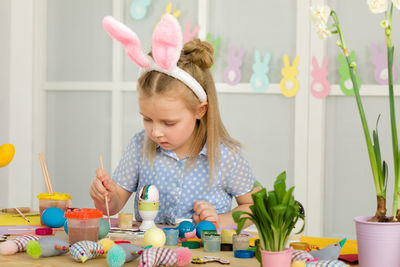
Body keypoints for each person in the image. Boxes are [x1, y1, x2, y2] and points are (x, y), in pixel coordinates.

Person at [90, 14, 258, 228]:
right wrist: (104, 195)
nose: (156, 132)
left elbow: (253, 208)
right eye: (147, 119)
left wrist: (220, 220)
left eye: (168, 123)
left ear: (200, 110)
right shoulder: (140, 146)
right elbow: (112, 207)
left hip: (203, 256)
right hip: (149, 254)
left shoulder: (226, 157)